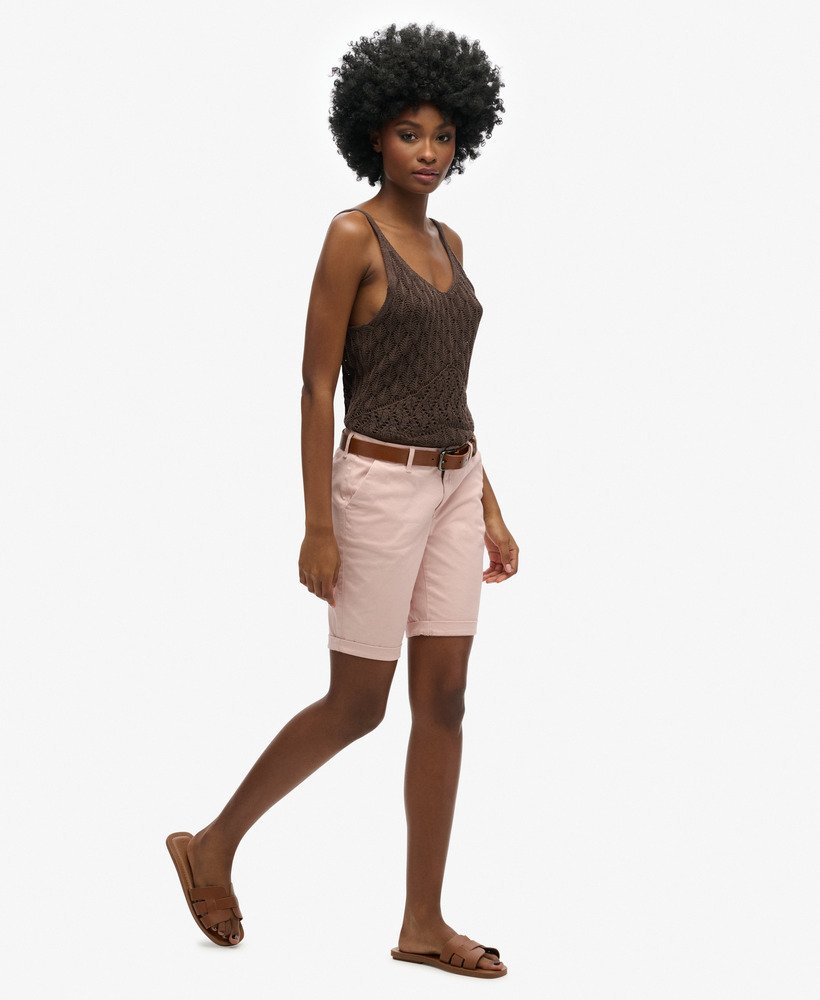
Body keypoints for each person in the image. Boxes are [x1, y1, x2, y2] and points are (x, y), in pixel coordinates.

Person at [167, 22, 518, 979]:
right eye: (410, 133)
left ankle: (422, 922)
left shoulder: (450, 241)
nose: (429, 152)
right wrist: (317, 523)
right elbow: (316, 385)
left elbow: (447, 383)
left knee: (444, 700)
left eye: (444, 136)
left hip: (456, 480)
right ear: (374, 135)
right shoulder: (352, 236)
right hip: (376, 484)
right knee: (360, 703)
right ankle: (212, 845)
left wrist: (489, 503)